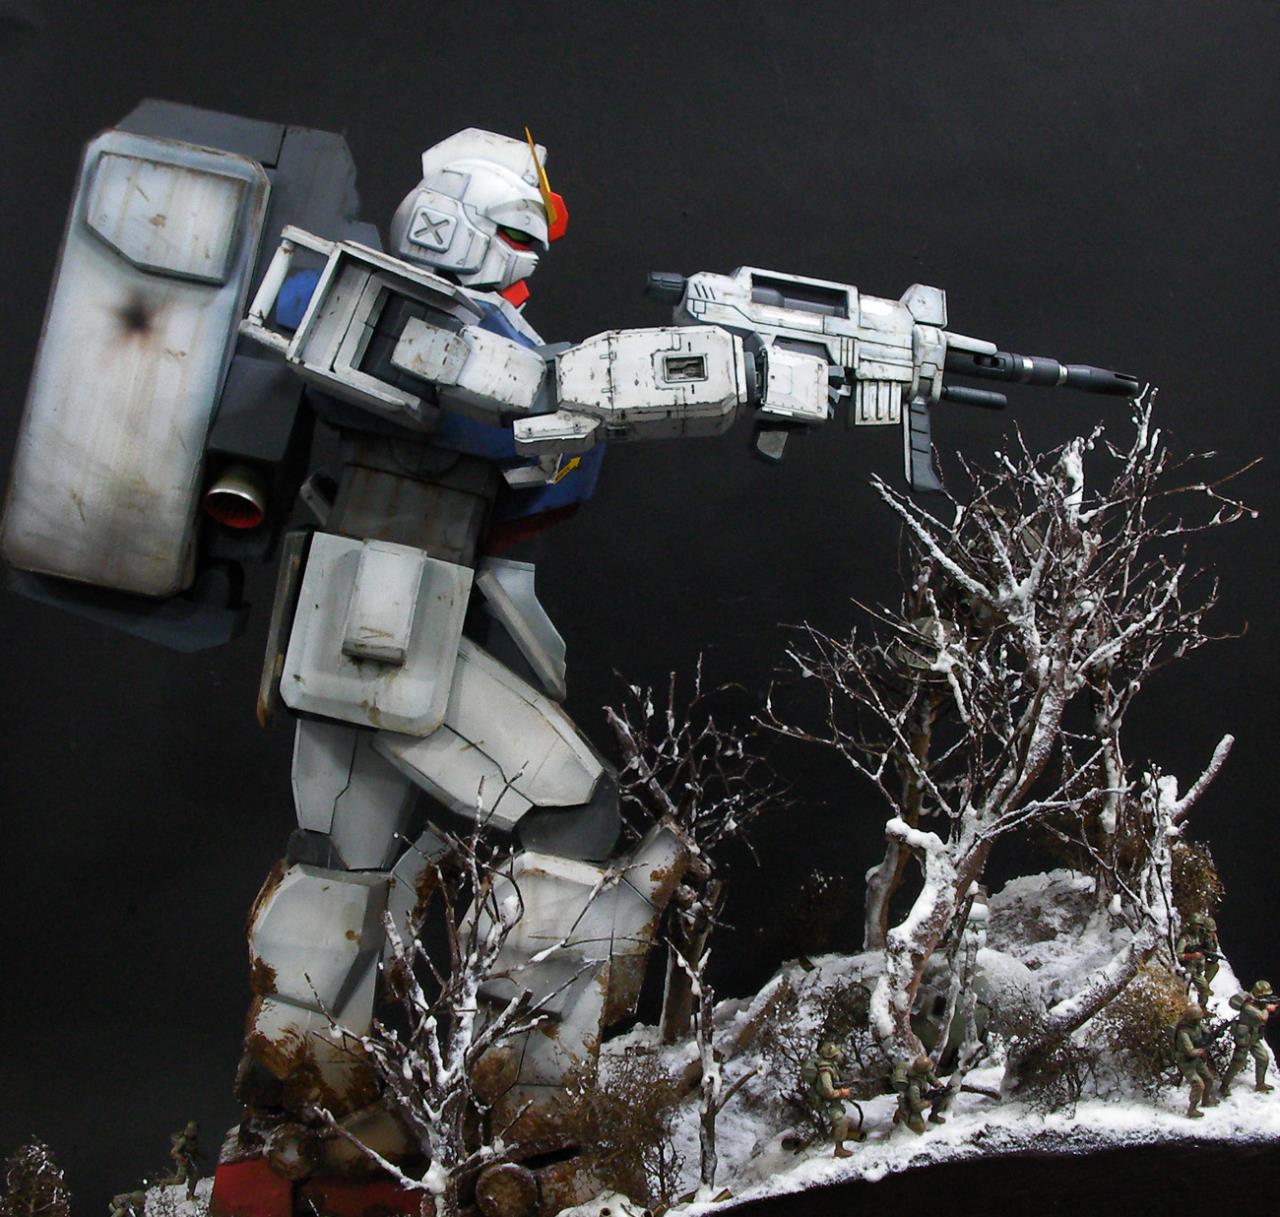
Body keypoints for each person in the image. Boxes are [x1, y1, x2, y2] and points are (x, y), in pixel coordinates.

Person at [802, 1041, 863, 1158]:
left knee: (840, 1120)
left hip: (832, 1101)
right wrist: (842, 1092)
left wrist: (851, 1078)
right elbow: (828, 1092)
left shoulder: (830, 1065)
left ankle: (837, 1138)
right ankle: (839, 1149)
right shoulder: (825, 1071)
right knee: (841, 1121)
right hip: (827, 1102)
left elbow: (839, 1076)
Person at [1221, 980, 1278, 1096]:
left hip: (1254, 1037)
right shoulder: (1247, 1006)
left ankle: (1260, 1084)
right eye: (1264, 996)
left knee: (1263, 1058)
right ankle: (1224, 1086)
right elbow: (1262, 1018)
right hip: (1244, 1039)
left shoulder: (1258, 1004)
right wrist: (1267, 1009)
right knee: (1237, 1063)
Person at [1172, 1001, 1220, 1118]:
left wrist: (1213, 1036)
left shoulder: (1197, 1025)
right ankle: (1192, 1109)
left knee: (1208, 1079)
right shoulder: (1183, 1032)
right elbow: (1190, 1051)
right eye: (1197, 1019)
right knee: (1198, 1084)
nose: (1199, 1021)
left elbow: (1207, 1033)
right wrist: (1202, 1051)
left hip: (1197, 1059)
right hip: (1186, 1062)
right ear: (1191, 1019)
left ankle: (1206, 1100)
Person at [892, 1053, 951, 1135]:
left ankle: (933, 1116)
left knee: (943, 1096)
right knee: (920, 1130)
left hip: (921, 1096)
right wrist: (929, 1102)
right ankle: (901, 1113)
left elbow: (929, 1076)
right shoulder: (914, 1087)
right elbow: (916, 1107)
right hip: (911, 1104)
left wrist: (938, 1085)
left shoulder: (921, 1073)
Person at [1175, 911, 1221, 1009]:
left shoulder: (1201, 936)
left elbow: (1208, 949)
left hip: (1199, 964)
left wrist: (1211, 941)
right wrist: (1192, 956)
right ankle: (1199, 1007)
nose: (1199, 928)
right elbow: (1178, 955)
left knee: (1213, 968)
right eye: (1197, 925)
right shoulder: (1185, 938)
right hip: (1189, 966)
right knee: (1203, 988)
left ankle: (1202, 1001)